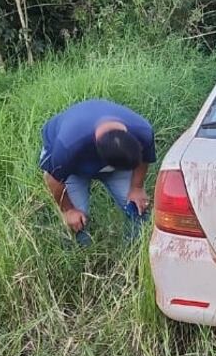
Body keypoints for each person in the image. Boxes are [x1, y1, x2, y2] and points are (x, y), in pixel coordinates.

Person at [39, 99, 156, 246]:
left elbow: (144, 158)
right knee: (77, 221)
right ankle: (83, 254)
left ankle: (138, 246)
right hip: (73, 170)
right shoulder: (68, 146)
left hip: (109, 158)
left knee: (137, 207)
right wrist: (68, 211)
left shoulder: (143, 131)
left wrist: (137, 188)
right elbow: (52, 178)